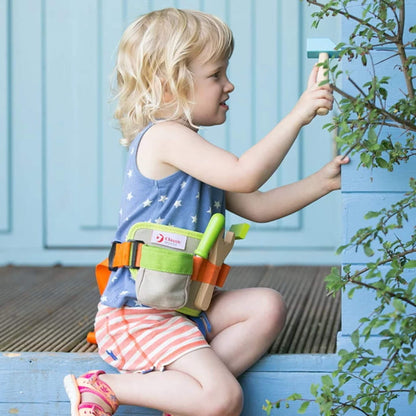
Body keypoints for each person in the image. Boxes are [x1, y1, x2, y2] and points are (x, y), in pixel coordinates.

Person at [64, 8, 349, 416]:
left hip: (180, 310)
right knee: (225, 398)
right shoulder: (165, 138)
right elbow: (246, 175)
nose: (229, 85)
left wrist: (323, 181)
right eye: (216, 75)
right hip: (141, 316)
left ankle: (181, 397)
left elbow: (259, 206)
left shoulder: (193, 151)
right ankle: (103, 387)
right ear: (168, 86)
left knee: (267, 305)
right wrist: (300, 113)